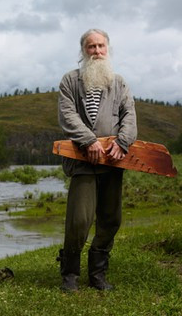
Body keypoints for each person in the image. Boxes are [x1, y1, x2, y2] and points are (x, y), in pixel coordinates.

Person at [56, 28, 137, 292]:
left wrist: (123, 142)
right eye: (91, 47)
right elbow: (67, 116)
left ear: (108, 48)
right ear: (83, 50)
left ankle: (98, 274)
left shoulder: (119, 82)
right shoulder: (70, 81)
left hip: (113, 164)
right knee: (79, 220)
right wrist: (88, 140)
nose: (97, 51)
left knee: (111, 219)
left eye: (101, 46)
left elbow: (129, 116)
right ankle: (69, 274)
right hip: (81, 162)